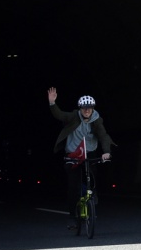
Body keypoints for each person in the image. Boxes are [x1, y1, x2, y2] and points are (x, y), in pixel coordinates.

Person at [47, 87, 114, 226]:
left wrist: (106, 151)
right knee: (73, 186)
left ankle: (93, 192)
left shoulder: (97, 120)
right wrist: (52, 103)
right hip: (73, 153)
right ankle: (72, 216)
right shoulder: (73, 117)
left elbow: (103, 136)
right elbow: (59, 115)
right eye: (84, 108)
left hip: (89, 152)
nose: (87, 111)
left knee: (94, 172)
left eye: (89, 108)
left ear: (93, 108)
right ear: (80, 108)